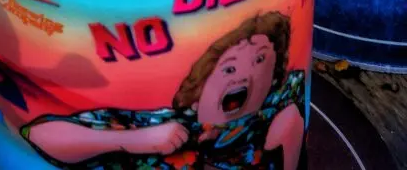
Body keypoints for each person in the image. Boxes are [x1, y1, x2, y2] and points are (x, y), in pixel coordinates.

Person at [22, 13, 305, 169]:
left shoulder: (269, 115)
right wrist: (136, 141)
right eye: (229, 68)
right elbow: (39, 135)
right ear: (197, 95)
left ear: (273, 80)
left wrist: (289, 132)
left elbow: (292, 109)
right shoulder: (158, 124)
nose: (244, 75)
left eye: (260, 62)